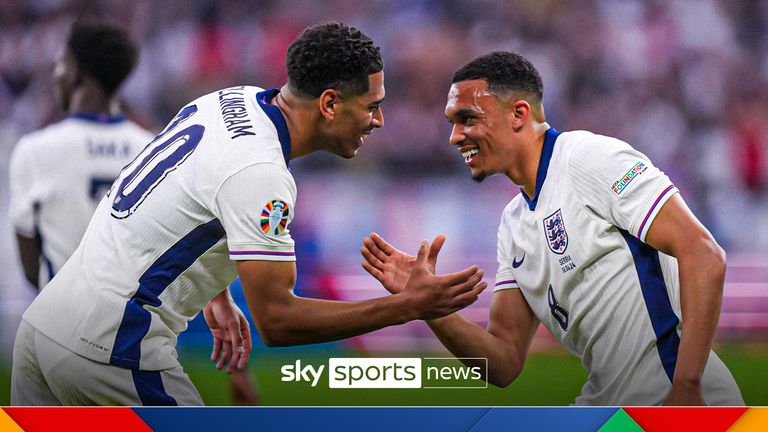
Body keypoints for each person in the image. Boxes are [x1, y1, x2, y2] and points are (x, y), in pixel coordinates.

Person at [11, 22, 486, 406]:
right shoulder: (262, 173)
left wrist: (216, 292)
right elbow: (278, 321)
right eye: (372, 106)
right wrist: (410, 307)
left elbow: (180, 193)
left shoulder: (231, 98)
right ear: (328, 104)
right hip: (108, 348)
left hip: (45, 326)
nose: (379, 121)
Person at [361, 51, 744, 406]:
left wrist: (688, 386)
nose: (455, 136)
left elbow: (704, 254)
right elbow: (504, 360)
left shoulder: (589, 158)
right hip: (608, 408)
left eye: (468, 118)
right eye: (452, 123)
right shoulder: (513, 225)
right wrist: (428, 307)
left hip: (675, 400)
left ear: (518, 113)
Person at [8, 20, 262, 406]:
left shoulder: (34, 150)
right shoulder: (154, 147)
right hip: (121, 334)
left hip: (51, 327)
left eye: (60, 63)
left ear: (74, 70)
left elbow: (30, 266)